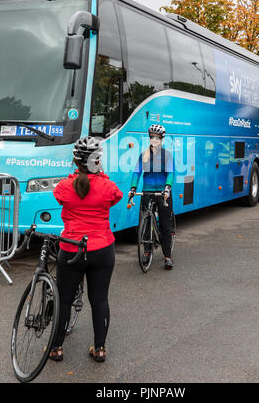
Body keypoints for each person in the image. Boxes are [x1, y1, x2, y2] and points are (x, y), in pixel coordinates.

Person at [50, 136, 123, 363]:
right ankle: (100, 349)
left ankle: (56, 348)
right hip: (102, 248)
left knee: (64, 298)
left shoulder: (64, 186)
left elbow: (60, 198)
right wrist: (100, 176)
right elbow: (115, 198)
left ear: (75, 160)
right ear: (97, 161)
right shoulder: (108, 186)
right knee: (99, 299)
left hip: (72, 248)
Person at [128, 124, 175, 270]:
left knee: (165, 225)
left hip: (162, 193)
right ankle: (147, 252)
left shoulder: (167, 155)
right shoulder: (144, 155)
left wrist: (167, 187)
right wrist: (133, 188)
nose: (154, 140)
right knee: (146, 223)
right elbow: (137, 172)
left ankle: (167, 256)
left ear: (162, 139)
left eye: (157, 138)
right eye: (152, 137)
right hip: (147, 192)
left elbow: (171, 173)